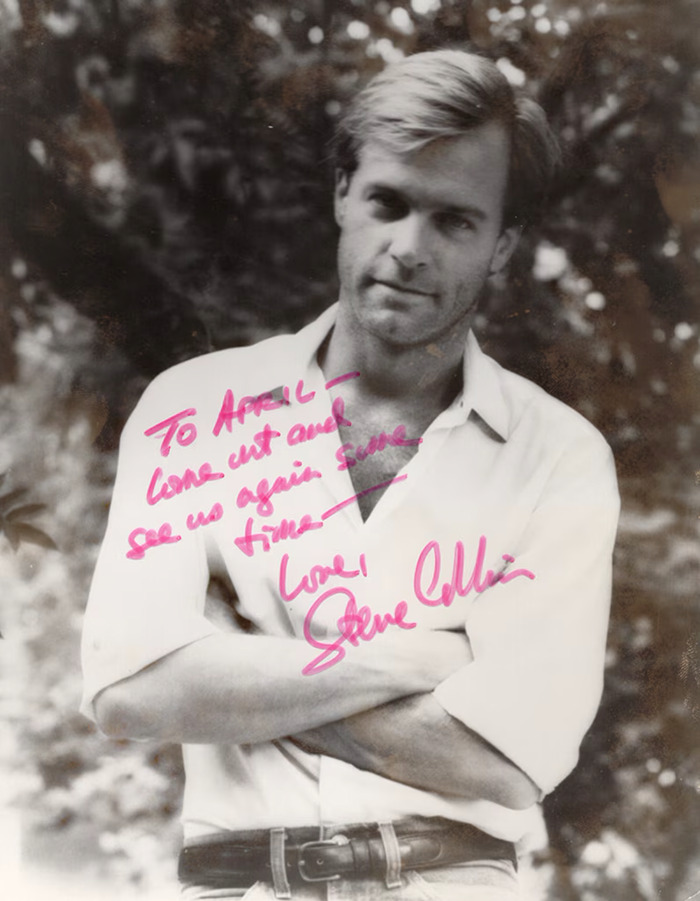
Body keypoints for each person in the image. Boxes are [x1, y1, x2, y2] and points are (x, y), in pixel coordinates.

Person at [81, 49, 620, 899]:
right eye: (389, 203)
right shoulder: (192, 411)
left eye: (454, 221)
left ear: (504, 243)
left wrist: (235, 672)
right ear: (343, 194)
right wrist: (421, 660)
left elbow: (514, 759)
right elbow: (132, 693)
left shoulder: (559, 457)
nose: (408, 248)